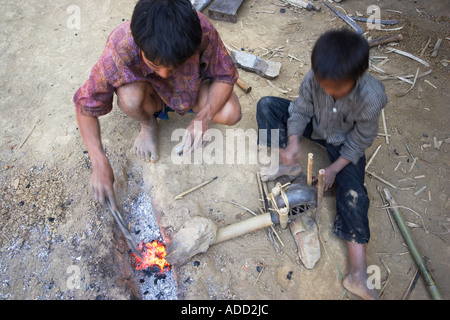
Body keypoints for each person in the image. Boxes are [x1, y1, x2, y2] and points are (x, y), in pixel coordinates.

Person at [256, 29, 388, 300]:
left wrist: (334, 169)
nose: (325, 89)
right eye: (321, 81)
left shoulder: (371, 97)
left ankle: (358, 276)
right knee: (267, 106)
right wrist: (292, 143)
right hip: (316, 128)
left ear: (356, 78)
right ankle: (289, 166)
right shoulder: (315, 78)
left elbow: (360, 141)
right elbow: (301, 110)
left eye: (334, 87)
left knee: (354, 194)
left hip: (344, 143)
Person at [73, 0, 241, 211]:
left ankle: (195, 114)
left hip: (191, 90)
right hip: (149, 96)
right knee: (129, 97)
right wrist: (98, 161)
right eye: (154, 66)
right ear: (139, 45)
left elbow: (225, 75)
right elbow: (85, 104)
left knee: (231, 112)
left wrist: (203, 118)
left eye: (174, 67)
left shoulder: (200, 31)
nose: (164, 75)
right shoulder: (121, 46)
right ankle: (148, 125)